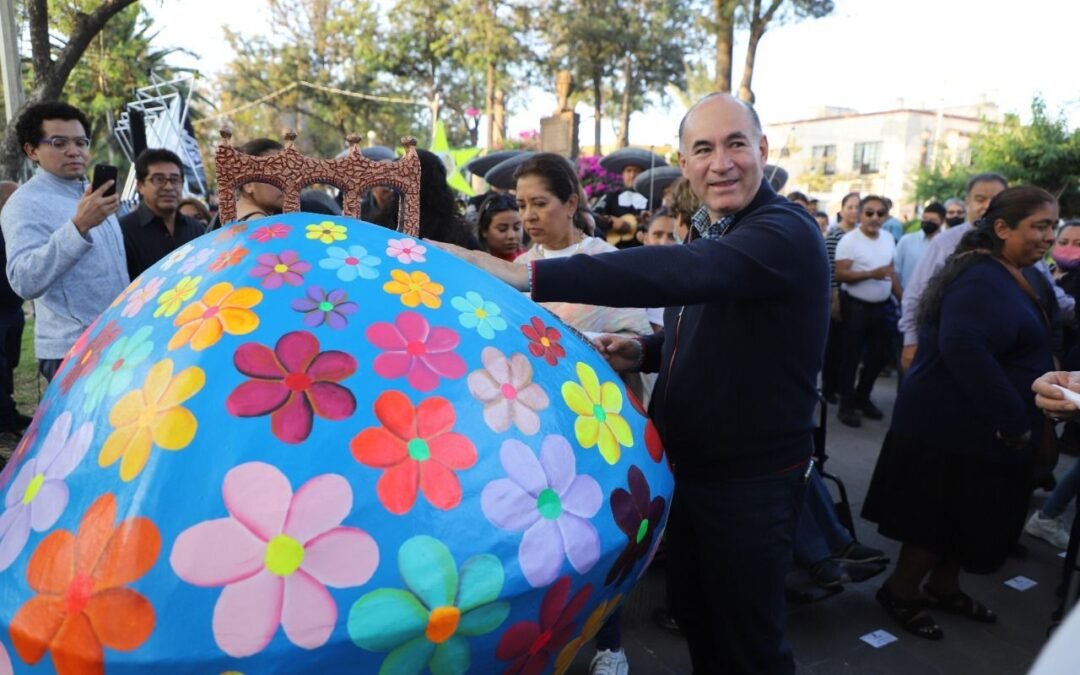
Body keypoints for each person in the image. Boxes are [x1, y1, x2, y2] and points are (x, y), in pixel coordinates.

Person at [435, 93, 829, 675]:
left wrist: (523, 273)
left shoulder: (782, 230)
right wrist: (645, 350)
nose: (721, 162)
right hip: (689, 470)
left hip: (750, 483)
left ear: (762, 151)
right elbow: (706, 326)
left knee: (749, 642)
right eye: (703, 149)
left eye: (735, 144)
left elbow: (686, 274)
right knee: (697, 616)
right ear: (686, 162)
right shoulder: (713, 230)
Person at [863, 186, 1058, 641]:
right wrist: (1012, 420)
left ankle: (944, 587)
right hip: (950, 427)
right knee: (936, 520)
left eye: (1053, 225)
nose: (1050, 236)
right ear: (1004, 229)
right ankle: (901, 591)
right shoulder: (980, 277)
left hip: (981, 431)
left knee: (968, 518)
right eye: (1040, 226)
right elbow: (963, 347)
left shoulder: (1021, 272)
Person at [509, 152, 651, 674]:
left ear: (571, 202)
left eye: (539, 203)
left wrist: (597, 346)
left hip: (598, 428)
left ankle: (610, 646)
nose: (528, 215)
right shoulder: (516, 270)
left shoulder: (603, 264)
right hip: (536, 432)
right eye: (521, 205)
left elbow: (639, 337)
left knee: (603, 538)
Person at [1, 101, 127, 382]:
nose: (74, 151)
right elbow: (23, 279)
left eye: (81, 142)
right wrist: (79, 226)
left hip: (118, 334)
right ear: (32, 150)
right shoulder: (24, 203)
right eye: (59, 143)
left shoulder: (91, 193)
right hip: (72, 347)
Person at [833, 195, 901, 427]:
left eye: (880, 213)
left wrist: (903, 299)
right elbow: (840, 275)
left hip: (882, 308)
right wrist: (870, 274)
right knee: (850, 357)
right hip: (855, 307)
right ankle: (846, 404)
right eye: (869, 212)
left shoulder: (889, 239)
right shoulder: (849, 241)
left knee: (878, 357)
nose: (874, 218)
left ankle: (863, 397)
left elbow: (890, 272)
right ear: (861, 214)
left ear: (886, 216)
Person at [119, 148, 207, 279]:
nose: (168, 187)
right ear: (140, 185)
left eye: (174, 179)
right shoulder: (123, 231)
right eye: (159, 179)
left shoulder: (196, 229)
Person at [821, 193, 860, 404]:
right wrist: (834, 297)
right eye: (850, 207)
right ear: (842, 209)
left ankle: (840, 385)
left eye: (857, 207)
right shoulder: (835, 235)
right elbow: (830, 267)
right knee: (834, 345)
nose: (854, 211)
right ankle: (828, 386)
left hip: (856, 298)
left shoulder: (862, 234)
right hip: (838, 295)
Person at [0, 182, 29, 438]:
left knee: (10, 363)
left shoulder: (16, 230)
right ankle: (5, 421)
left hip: (13, 309)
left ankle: (10, 411)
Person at [894, 202, 946, 290]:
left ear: (942, 221)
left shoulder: (947, 243)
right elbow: (895, 271)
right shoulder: (907, 241)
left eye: (933, 220)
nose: (927, 222)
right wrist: (901, 297)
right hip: (905, 296)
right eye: (925, 218)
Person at [475, 191, 523, 261]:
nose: (511, 236)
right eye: (502, 229)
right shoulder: (473, 262)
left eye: (517, 228)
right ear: (484, 230)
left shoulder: (530, 263)